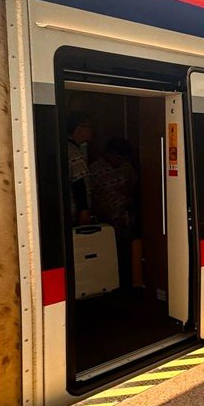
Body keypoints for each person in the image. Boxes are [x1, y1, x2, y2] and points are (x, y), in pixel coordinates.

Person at [91, 138, 143, 289]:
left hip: (127, 216)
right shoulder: (94, 170)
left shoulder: (127, 167)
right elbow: (92, 197)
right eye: (118, 158)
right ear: (108, 155)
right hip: (106, 219)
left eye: (123, 159)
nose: (120, 162)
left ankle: (132, 282)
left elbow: (135, 186)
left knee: (130, 248)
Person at [67, 112, 94, 226]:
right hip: (75, 213)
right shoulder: (73, 152)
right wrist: (84, 210)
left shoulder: (69, 147)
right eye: (90, 127)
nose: (92, 131)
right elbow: (78, 181)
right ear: (79, 129)